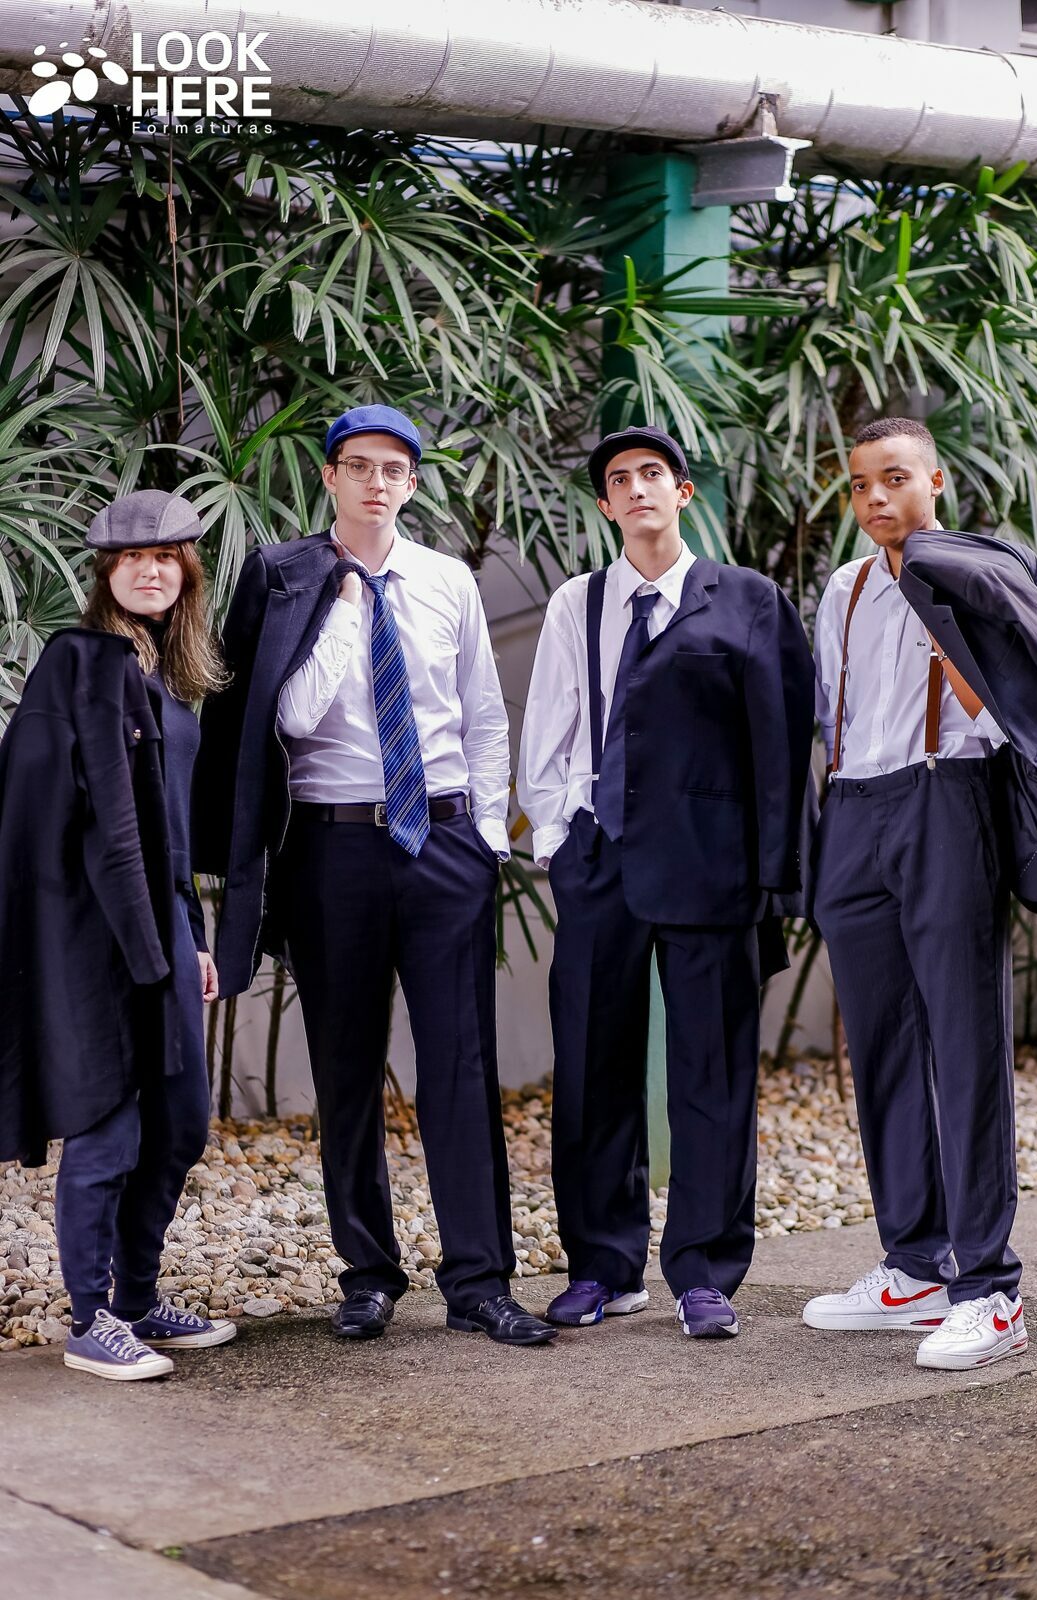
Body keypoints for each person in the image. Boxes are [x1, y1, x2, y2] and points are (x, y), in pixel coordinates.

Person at [194, 404, 556, 1347]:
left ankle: (479, 1282)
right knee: (345, 1066)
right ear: (330, 476)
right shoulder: (284, 576)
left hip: (442, 843)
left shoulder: (446, 580)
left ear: (411, 483)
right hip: (331, 849)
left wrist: (487, 835)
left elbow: (482, 714)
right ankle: (367, 1275)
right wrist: (346, 611)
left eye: (393, 469)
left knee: (461, 1065)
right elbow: (280, 719)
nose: (376, 483)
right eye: (358, 466)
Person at [517, 426, 814, 1339]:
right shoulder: (578, 602)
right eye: (620, 479)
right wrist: (561, 839)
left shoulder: (747, 600)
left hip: (711, 866)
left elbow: (780, 742)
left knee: (710, 1073)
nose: (637, 487)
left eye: (653, 473)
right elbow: (552, 723)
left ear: (682, 493)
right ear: (605, 505)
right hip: (600, 861)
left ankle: (705, 1273)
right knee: (591, 1069)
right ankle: (602, 1268)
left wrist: (776, 875)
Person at [803, 416, 1026, 1370]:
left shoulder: (979, 571)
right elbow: (835, 714)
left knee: (965, 1044)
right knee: (883, 1046)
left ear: (933, 480)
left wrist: (952, 646)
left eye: (893, 478)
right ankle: (915, 1266)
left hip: (947, 800)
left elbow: (1025, 710)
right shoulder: (843, 588)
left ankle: (990, 1289)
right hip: (856, 809)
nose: (874, 499)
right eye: (859, 485)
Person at [0, 490, 236, 1380]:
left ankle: (137, 1299)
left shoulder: (166, 681)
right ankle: (90, 1319)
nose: (150, 570)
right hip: (92, 930)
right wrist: (114, 935)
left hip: (162, 923)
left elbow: (168, 833)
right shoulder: (80, 662)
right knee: (109, 1122)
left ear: (186, 573)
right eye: (132, 558)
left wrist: (191, 935)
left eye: (166, 556)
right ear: (106, 573)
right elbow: (54, 818)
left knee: (180, 1124)